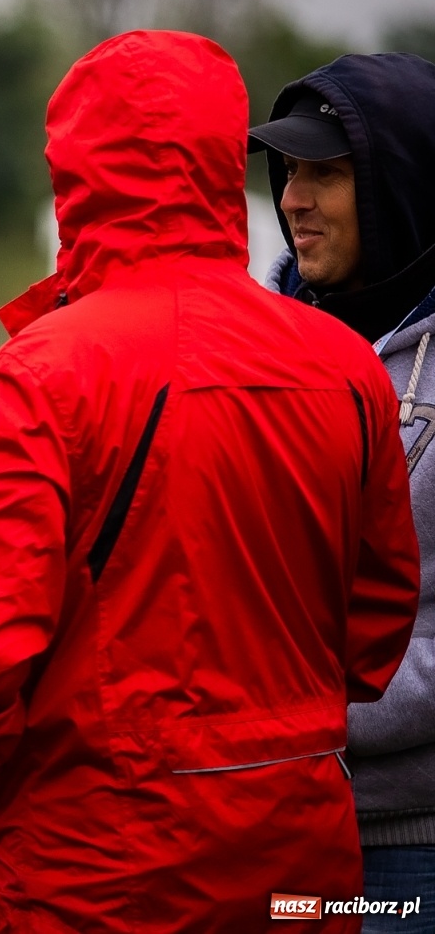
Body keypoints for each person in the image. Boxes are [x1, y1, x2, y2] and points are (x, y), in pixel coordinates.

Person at [0, 30, 421, 933]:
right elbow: (375, 624)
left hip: (99, 851)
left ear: (76, 169)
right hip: (301, 851)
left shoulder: (48, 368)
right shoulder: (346, 365)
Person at [254, 51, 435, 931]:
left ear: (401, 184)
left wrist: (299, 708)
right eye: (288, 170)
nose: (292, 199)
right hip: (271, 824)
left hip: (411, 845)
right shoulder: (258, 351)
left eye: (324, 173)